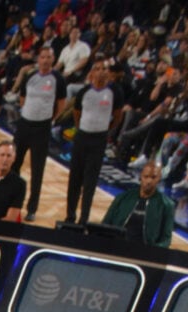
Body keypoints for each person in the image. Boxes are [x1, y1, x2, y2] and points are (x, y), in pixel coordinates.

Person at [62, 59, 116, 226]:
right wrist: (81, 130)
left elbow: (118, 115)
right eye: (97, 68)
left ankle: (84, 218)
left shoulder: (115, 92)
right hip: (82, 137)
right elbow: (77, 113)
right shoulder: (84, 91)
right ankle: (70, 216)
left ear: (109, 72)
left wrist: (107, 131)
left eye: (104, 69)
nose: (100, 71)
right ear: (91, 73)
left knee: (90, 181)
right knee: (75, 179)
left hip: (99, 140)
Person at [12, 44, 60, 218]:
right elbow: (23, 98)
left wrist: (49, 117)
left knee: (37, 169)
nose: (45, 60)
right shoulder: (30, 76)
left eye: (49, 57)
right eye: (43, 57)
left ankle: (32, 209)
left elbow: (61, 104)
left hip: (42, 128)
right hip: (24, 124)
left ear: (53, 59)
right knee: (14, 164)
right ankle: (12, 202)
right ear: (38, 59)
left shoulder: (57, 79)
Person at [101, 157, 175, 248]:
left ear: (159, 179)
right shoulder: (123, 198)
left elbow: (166, 240)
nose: (149, 181)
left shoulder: (167, 205)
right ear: (141, 176)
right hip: (116, 247)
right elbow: (105, 224)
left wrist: (153, 252)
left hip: (144, 253)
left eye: (153, 177)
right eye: (146, 176)